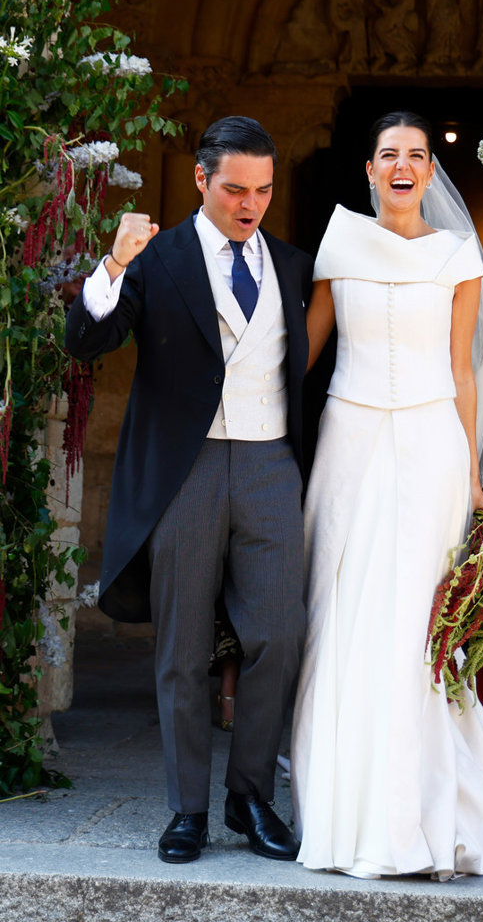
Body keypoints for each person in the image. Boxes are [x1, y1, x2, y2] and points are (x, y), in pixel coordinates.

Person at [291, 111, 483, 879]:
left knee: (413, 620)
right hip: (350, 441)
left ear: (430, 171)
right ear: (370, 170)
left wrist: (470, 475)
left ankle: (419, 807)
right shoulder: (340, 241)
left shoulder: (457, 253)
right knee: (343, 610)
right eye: (389, 154)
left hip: (432, 445)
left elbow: (463, 370)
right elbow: (303, 349)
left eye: (417, 155)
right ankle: (343, 800)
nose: (402, 165)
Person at [65, 116, 312, 865]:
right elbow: (86, 338)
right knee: (182, 644)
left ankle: (250, 794)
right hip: (186, 467)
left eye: (263, 190)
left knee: (279, 635)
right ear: (202, 179)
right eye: (235, 189)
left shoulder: (292, 265)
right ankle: (187, 808)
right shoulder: (158, 258)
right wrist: (115, 262)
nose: (250, 204)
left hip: (270, 463)